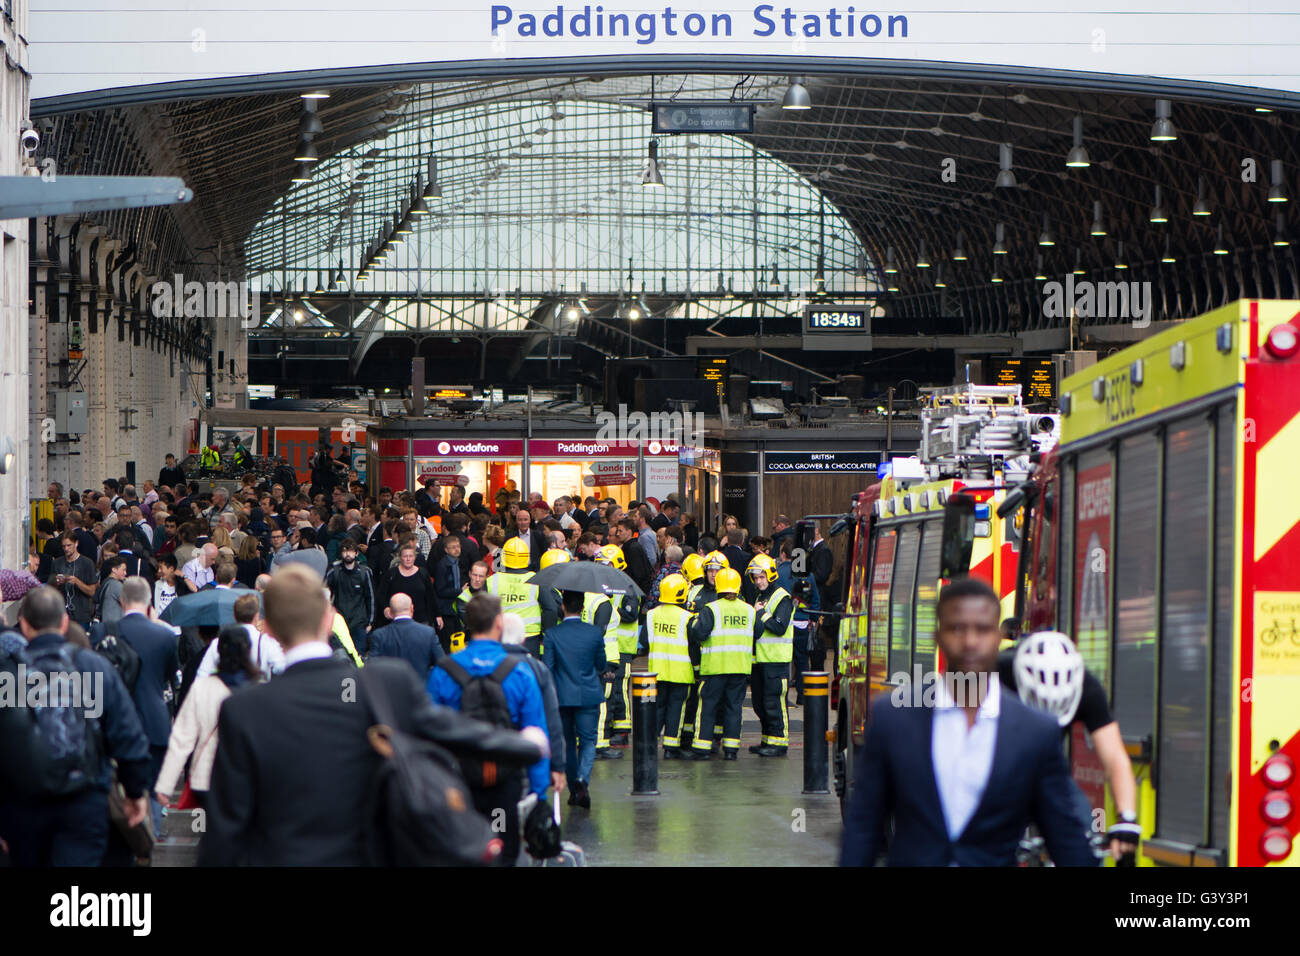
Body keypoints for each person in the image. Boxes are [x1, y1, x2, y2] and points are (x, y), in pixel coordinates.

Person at [200, 564, 543, 865]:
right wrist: (527, 744)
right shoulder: (387, 684)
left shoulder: (244, 710)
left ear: (269, 626)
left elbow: (224, 834)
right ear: (327, 618)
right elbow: (454, 732)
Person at [839, 578, 1098, 867]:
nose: (970, 641)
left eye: (983, 629)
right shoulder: (893, 720)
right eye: (957, 628)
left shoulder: (1034, 732)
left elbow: (1066, 839)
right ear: (938, 637)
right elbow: (863, 826)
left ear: (999, 637)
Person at [0, 587, 152, 866]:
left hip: (22, 804)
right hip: (83, 797)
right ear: (64, 622)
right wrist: (134, 790)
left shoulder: (9, 672)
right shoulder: (92, 666)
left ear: (23, 624)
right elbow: (126, 732)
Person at [428, 594, 551, 866]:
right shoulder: (519, 672)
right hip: (505, 781)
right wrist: (539, 795)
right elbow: (536, 737)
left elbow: (430, 735)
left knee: (464, 853)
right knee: (503, 854)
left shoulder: (443, 672)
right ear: (498, 623)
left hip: (459, 783)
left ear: (468, 624)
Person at [999, 630, 1140, 860]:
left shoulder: (1086, 686)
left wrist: (1127, 820)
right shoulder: (997, 674)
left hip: (1048, 771)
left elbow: (1115, 758)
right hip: (996, 769)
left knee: (1084, 842)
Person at [156, 626, 260, 813]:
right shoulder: (260, 690)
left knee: (214, 831)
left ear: (219, 652)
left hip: (207, 776)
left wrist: (165, 785)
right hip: (248, 777)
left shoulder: (202, 688)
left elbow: (182, 739)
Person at [114, 576, 180, 836]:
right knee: (153, 788)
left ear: (122, 601)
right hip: (154, 720)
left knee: (118, 789)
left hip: (118, 722)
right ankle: (147, 843)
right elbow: (169, 677)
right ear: (150, 602)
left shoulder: (107, 631)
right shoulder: (164, 636)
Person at [540, 589, 607, 809]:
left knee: (567, 743)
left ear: (563, 606)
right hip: (588, 695)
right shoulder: (594, 633)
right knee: (588, 741)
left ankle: (572, 788)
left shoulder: (552, 634)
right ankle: (582, 780)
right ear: (582, 606)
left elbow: (547, 668)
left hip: (561, 696)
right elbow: (601, 665)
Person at [685, 567, 753, 760]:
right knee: (733, 708)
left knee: (708, 707)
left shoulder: (711, 609)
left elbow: (698, 633)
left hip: (715, 668)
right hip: (739, 668)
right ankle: (731, 750)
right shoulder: (748, 609)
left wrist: (693, 622)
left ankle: (702, 748)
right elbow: (759, 629)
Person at [500, 613, 566, 801]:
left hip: (494, 757)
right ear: (523, 639)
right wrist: (558, 766)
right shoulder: (537, 668)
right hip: (531, 758)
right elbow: (552, 719)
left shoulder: (484, 665)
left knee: (499, 819)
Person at [590, 544, 640, 751]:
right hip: (608, 649)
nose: (603, 569)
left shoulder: (627, 587)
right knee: (610, 692)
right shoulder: (599, 588)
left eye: (607, 565)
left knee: (619, 690)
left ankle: (622, 729)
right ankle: (612, 727)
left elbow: (631, 613)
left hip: (623, 649)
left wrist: (611, 608)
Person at [747, 553, 795, 757]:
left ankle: (779, 742)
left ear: (770, 575)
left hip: (776, 661)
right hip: (760, 661)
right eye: (756, 578)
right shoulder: (761, 597)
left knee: (775, 703)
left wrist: (760, 613)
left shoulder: (782, 597)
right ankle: (767, 740)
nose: (758, 581)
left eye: (761, 577)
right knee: (760, 704)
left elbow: (779, 626)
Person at [647, 573, 696, 759]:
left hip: (656, 671)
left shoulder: (652, 615)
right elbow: (693, 644)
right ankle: (670, 748)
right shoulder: (687, 617)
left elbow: (645, 641)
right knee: (676, 709)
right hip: (680, 673)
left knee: (658, 708)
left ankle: (651, 744)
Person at [196, 593, 285, 682]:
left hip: (228, 693)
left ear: (234, 616)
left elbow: (202, 675)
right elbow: (282, 667)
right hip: (259, 692)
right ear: (257, 616)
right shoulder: (267, 642)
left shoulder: (218, 642)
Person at [484, 537, 542, 653]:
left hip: (500, 636)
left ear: (503, 556)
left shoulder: (491, 581)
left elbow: (483, 611)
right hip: (530, 637)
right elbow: (550, 608)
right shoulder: (536, 579)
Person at [368, 594, 445, 678]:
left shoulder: (379, 635)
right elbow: (442, 663)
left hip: (390, 688)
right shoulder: (428, 633)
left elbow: (372, 668)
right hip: (420, 687)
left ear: (390, 612)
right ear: (412, 608)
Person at [325, 539, 375, 652]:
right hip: (339, 621)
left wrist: (370, 622)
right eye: (344, 551)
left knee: (359, 655)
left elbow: (371, 598)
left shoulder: (364, 572)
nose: (348, 554)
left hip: (359, 622)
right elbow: (325, 596)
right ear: (341, 553)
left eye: (351, 551)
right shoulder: (334, 572)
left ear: (356, 553)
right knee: (341, 656)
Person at [377, 543, 437, 627]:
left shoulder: (423, 573)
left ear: (415, 557)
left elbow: (431, 596)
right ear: (400, 558)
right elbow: (381, 595)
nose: (408, 559)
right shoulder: (391, 574)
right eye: (405, 556)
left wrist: (437, 615)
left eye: (411, 556)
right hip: (397, 620)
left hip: (421, 620)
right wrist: (386, 608)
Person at [52, 532, 98, 629]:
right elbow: (51, 589)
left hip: (81, 615)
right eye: (63, 546)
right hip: (62, 615)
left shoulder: (87, 563)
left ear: (76, 543)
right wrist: (56, 583)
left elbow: (92, 592)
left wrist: (77, 582)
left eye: (69, 545)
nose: (66, 549)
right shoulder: (56, 563)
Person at [94, 556, 129, 635]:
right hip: (114, 628)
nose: (125, 573)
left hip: (105, 626)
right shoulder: (116, 585)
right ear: (114, 569)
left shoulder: (105, 583)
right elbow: (129, 604)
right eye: (123, 570)